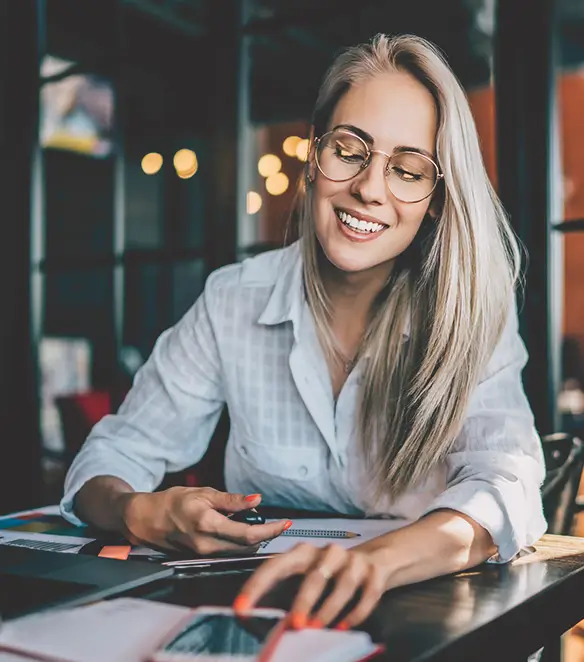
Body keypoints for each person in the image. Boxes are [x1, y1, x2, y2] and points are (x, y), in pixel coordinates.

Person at [61, 33, 546, 630]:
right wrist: (139, 511)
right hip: (265, 616)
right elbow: (110, 457)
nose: (370, 189)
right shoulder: (233, 300)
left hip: (436, 622)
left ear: (436, 198)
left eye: (407, 168)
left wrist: (376, 563)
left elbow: (509, 485)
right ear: (315, 155)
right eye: (350, 150)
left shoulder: (471, 312)